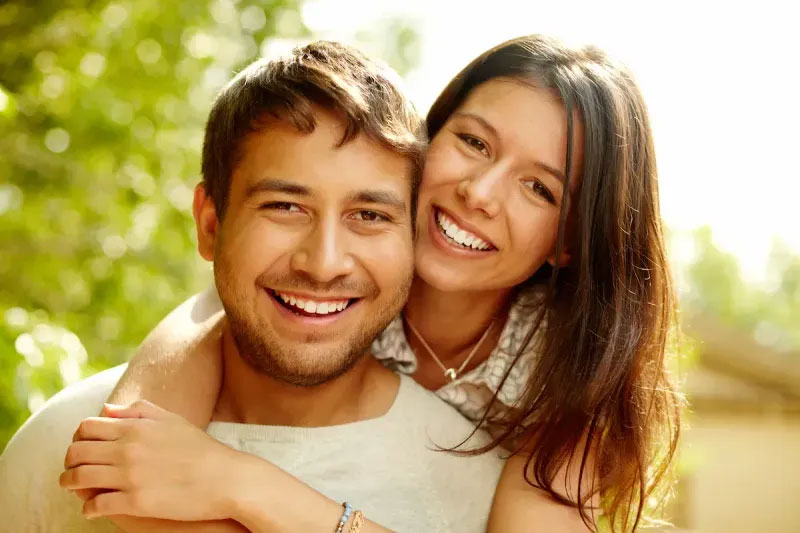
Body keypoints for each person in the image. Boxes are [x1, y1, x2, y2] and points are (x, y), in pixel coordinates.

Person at [93, 35, 682, 532]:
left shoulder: (573, 382)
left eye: (540, 189)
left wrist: (247, 486)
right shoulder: (330, 285)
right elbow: (126, 453)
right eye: (473, 142)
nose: (479, 193)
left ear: (570, 242)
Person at [0, 41, 505, 533]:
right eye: (285, 207)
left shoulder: (477, 492)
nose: (323, 264)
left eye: (369, 215)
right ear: (210, 225)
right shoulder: (58, 443)